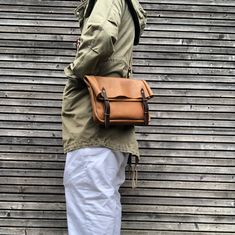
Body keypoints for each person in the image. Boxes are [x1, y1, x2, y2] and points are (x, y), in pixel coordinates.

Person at [61, 0, 147, 234]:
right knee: (101, 204)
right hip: (108, 128)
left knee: (90, 204)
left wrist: (75, 70)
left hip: (93, 126)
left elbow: (102, 35)